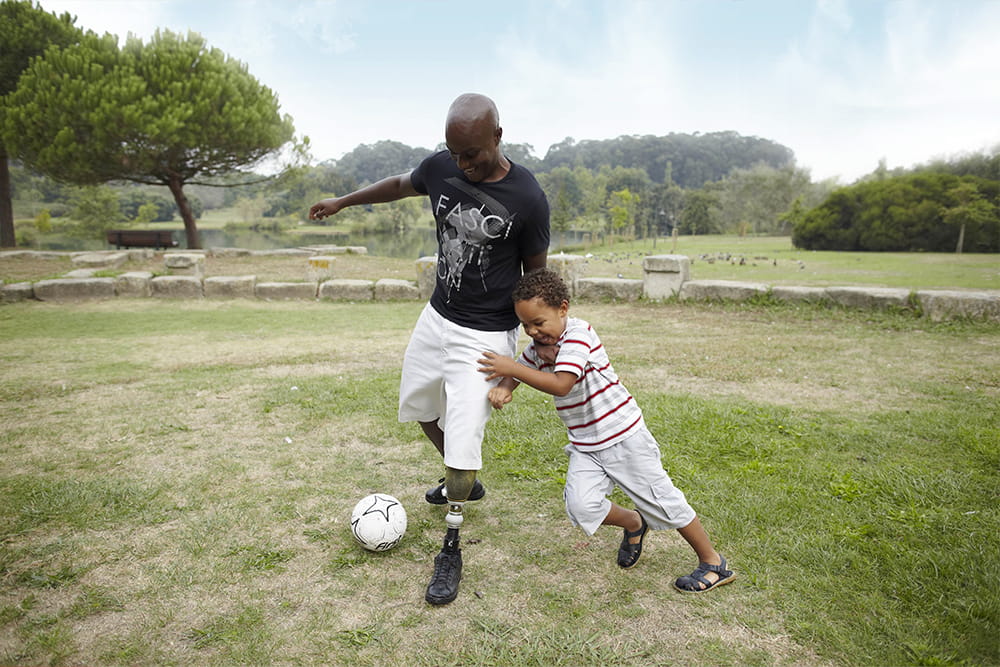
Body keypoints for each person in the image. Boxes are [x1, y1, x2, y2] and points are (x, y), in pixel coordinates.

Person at [309, 93, 550, 605]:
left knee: (462, 453)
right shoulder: (442, 166)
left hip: (485, 335)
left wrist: (528, 350)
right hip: (436, 316)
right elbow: (401, 185)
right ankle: (463, 481)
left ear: (497, 138)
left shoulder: (527, 196)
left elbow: (537, 277)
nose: (462, 164)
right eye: (454, 153)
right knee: (419, 408)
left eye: (473, 155)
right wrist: (343, 202)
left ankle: (452, 547)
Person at [478, 268, 735, 593]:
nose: (532, 332)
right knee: (581, 506)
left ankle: (714, 562)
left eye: (539, 323)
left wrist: (510, 368)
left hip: (624, 437)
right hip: (586, 444)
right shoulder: (541, 346)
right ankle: (634, 523)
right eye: (525, 325)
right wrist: (505, 386)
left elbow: (561, 384)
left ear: (563, 309)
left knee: (663, 500)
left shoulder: (579, 334)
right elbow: (523, 367)